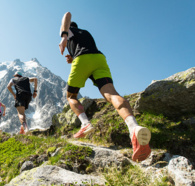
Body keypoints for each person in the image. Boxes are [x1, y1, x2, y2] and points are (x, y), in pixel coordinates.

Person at [58, 12, 151, 162]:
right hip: (99, 59)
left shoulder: (68, 30)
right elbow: (83, 48)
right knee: (111, 94)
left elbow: (66, 15)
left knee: (71, 96)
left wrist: (63, 36)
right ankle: (134, 128)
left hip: (83, 60)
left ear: (69, 28)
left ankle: (85, 124)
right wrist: (72, 56)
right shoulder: (85, 33)